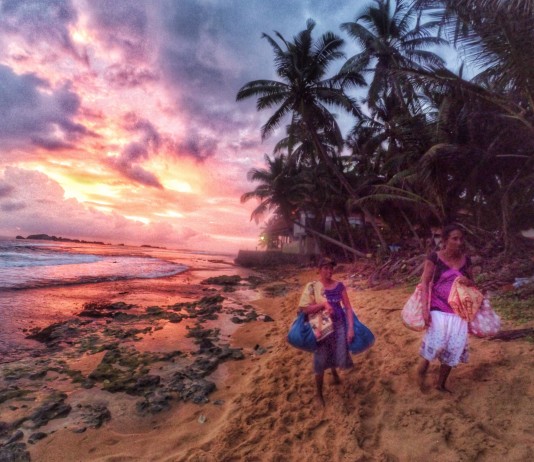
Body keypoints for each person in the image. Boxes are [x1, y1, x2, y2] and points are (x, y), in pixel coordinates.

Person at [417, 224, 475, 392]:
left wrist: (468, 281)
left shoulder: (466, 260)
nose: (459, 242)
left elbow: (473, 283)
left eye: (461, 239)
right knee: (435, 344)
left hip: (459, 311)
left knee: (454, 348)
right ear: (445, 240)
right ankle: (422, 370)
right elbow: (425, 282)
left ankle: (440, 385)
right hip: (438, 308)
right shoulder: (434, 258)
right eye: (454, 239)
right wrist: (425, 309)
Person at [298, 256, 354, 406]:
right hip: (321, 328)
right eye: (326, 268)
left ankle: (334, 373)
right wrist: (322, 305)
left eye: (331, 268)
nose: (329, 271)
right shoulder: (312, 287)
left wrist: (350, 328)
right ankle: (319, 393)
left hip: (339, 326)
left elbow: (348, 308)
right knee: (320, 360)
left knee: (337, 353)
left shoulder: (339, 286)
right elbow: (305, 309)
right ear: (319, 270)